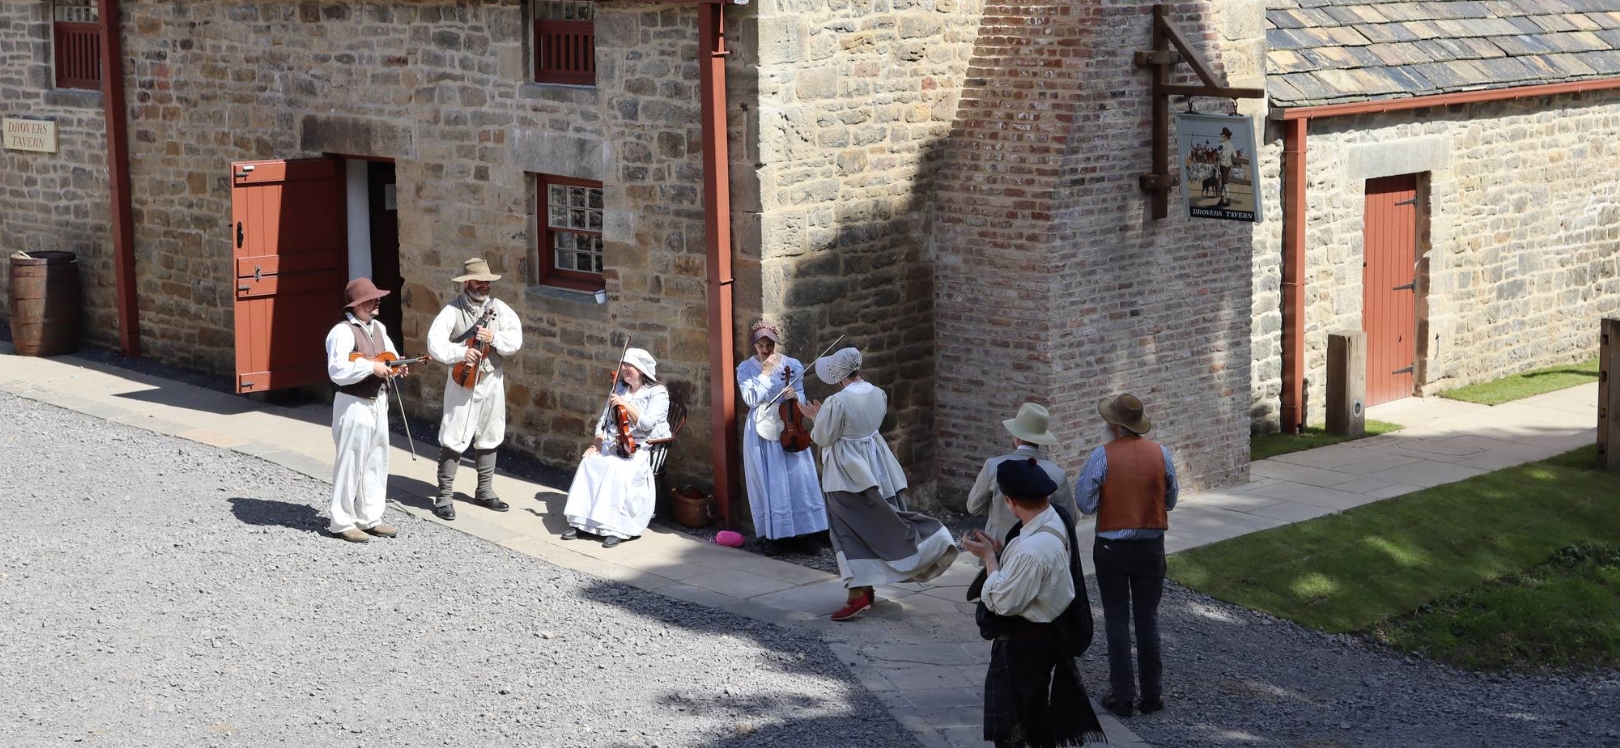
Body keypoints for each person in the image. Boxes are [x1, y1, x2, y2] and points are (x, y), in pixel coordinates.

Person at [799, 347, 958, 621]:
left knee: (846, 529)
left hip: (847, 474)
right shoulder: (877, 393)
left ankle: (858, 593)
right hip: (877, 467)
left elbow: (824, 437)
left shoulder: (837, 402)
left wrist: (815, 418)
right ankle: (865, 587)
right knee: (875, 522)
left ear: (838, 376)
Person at [964, 458, 1105, 748]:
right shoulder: (1055, 516)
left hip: (1025, 644)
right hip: (1043, 638)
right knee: (1034, 713)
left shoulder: (1032, 550)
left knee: (1018, 724)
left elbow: (1002, 602)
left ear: (1009, 501)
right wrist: (1003, 553)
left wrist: (989, 559)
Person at [1076, 393, 1178, 718]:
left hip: (1112, 548)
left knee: (1117, 620)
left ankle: (1122, 696)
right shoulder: (1162, 454)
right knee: (1147, 620)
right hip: (1150, 546)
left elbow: (1085, 502)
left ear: (1114, 426)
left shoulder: (1101, 456)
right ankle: (1152, 695)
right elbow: (1171, 499)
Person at [426, 258, 523, 521]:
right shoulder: (451, 311)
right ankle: (444, 496)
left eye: (487, 282)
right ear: (467, 282)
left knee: (491, 432)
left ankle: (484, 490)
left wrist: (495, 338)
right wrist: (460, 353)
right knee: (454, 434)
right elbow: (434, 344)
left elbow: (515, 340)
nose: (485, 286)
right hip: (463, 380)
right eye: (479, 281)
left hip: (492, 377)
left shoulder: (499, 309)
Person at [323, 277, 408, 544]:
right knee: (350, 461)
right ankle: (342, 521)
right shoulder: (342, 332)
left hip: (378, 401)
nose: (377, 301)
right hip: (353, 403)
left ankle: (370, 517)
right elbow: (337, 371)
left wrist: (397, 366)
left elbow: (390, 356)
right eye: (371, 298)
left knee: (376, 459)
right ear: (357, 304)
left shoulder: (379, 327)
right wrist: (370, 368)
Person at [562, 347, 671, 548]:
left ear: (641, 369)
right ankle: (582, 523)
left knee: (616, 469)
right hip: (614, 442)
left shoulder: (658, 393)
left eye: (630, 366)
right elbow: (603, 420)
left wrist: (624, 404)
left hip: (640, 446)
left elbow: (646, 424)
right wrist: (597, 442)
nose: (624, 369)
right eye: (624, 365)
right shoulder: (619, 388)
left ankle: (617, 528)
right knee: (590, 463)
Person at [736, 320, 828, 555]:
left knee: (799, 480)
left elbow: (802, 397)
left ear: (776, 343)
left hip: (789, 425)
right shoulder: (746, 369)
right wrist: (766, 373)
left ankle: (807, 533)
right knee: (770, 481)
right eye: (760, 346)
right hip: (761, 428)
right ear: (754, 346)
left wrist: (794, 395)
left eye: (769, 345)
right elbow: (751, 399)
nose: (765, 350)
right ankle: (775, 536)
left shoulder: (793, 365)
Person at [965, 402, 1080, 552]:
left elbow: (973, 507)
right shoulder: (1057, 474)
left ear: (1016, 436)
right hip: (1038, 548)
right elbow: (1069, 518)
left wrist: (997, 510)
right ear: (1041, 439)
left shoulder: (993, 466)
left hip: (997, 547)